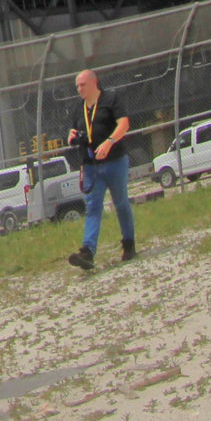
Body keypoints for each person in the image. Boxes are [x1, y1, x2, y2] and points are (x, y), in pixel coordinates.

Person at [63, 70, 134, 271]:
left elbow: (124, 124)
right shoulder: (78, 109)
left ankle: (128, 244)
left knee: (121, 204)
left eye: (82, 85)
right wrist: (72, 135)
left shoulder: (111, 99)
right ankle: (87, 251)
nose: (79, 89)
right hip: (91, 166)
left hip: (115, 161)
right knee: (93, 208)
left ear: (94, 83)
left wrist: (110, 142)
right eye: (77, 86)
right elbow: (74, 130)